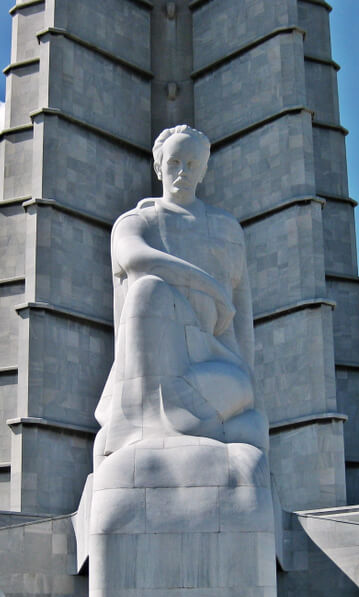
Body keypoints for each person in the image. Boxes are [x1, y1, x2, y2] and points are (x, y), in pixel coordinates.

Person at [92, 125, 268, 464]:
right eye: (174, 163)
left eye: (192, 164)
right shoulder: (136, 221)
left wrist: (248, 381)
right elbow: (135, 258)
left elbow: (242, 319)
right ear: (159, 167)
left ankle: (169, 429)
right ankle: (151, 430)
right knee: (149, 288)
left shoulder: (226, 229)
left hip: (212, 365)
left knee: (248, 414)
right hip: (148, 370)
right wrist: (212, 288)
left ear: (203, 170)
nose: (182, 172)